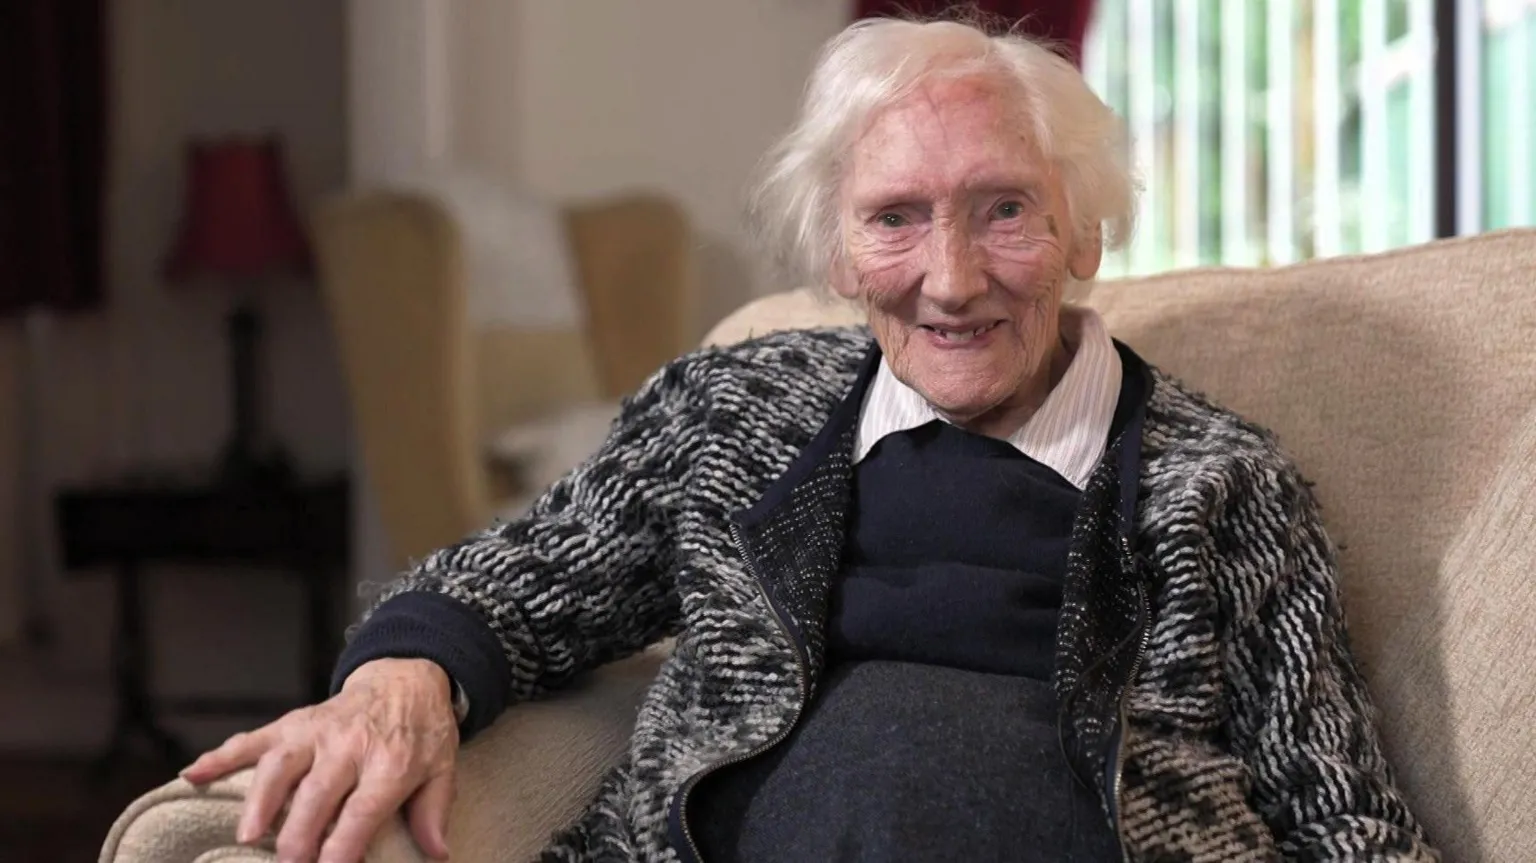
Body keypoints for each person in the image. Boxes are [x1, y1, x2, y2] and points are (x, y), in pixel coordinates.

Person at [183, 16, 1439, 863]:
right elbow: (520, 581)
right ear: (839, 253)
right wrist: (399, 682)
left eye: (1004, 211)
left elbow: (1340, 810)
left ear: (1083, 233)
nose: (951, 279)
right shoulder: (735, 413)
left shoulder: (1221, 487)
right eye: (896, 219)